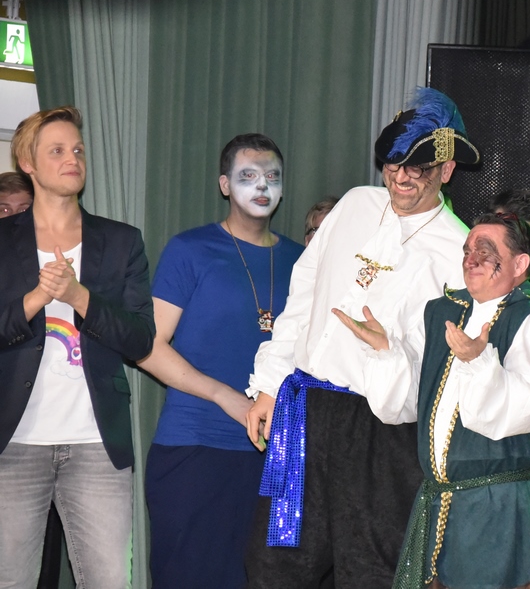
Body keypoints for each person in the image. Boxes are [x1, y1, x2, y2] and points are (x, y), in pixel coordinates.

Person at [243, 87, 478, 587]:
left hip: (381, 435)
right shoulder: (354, 205)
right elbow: (303, 297)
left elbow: (442, 381)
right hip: (305, 411)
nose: (402, 178)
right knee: (275, 567)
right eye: (393, 165)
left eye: (418, 168)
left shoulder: (458, 252)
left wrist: (389, 352)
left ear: (447, 169)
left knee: (371, 573)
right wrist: (269, 385)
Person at [336, 212, 530, 589]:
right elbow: (414, 401)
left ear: (520, 264)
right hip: (440, 500)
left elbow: (528, 408)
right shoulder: (444, 311)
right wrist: (387, 352)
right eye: (468, 250)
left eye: (486, 252)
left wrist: (480, 362)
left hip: (496, 505)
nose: (471, 259)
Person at [137, 133, 303, 588]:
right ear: (225, 185)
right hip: (196, 448)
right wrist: (225, 396)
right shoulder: (190, 250)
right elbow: (148, 345)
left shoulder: (303, 261)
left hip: (277, 458)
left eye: (272, 176)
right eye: (248, 176)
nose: (262, 186)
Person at [0, 106, 154, 587]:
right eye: (58, 151)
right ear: (28, 162)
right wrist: (36, 299)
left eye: (78, 150)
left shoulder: (122, 241)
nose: (73, 159)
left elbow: (140, 338)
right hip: (13, 443)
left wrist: (79, 297)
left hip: (97, 445)